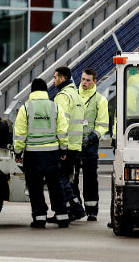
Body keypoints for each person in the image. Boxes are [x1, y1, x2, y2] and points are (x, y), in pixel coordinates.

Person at [14, 78, 70, 228]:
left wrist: (18, 153)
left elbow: (20, 133)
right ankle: (62, 216)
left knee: (35, 187)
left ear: (32, 91)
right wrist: (63, 149)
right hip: (52, 153)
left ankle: (39, 218)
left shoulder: (25, 108)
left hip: (33, 155)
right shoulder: (55, 107)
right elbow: (62, 130)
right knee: (55, 185)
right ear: (46, 91)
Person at [51, 66, 87, 221]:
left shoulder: (62, 96)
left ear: (62, 78)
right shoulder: (77, 95)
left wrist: (61, 146)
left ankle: (74, 207)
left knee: (59, 179)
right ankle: (68, 210)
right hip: (76, 144)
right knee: (67, 179)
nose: (53, 81)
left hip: (65, 145)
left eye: (55, 77)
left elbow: (61, 123)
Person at [74, 68, 109, 221]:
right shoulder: (73, 96)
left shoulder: (100, 99)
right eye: (82, 79)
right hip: (73, 145)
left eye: (88, 80)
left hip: (90, 146)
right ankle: (76, 207)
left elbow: (103, 125)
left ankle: (92, 210)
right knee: (71, 179)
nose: (84, 83)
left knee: (90, 180)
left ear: (95, 81)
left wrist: (91, 138)